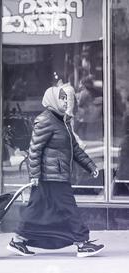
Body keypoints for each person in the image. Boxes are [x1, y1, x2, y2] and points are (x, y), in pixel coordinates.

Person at [7, 86, 105, 258]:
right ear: (52, 100)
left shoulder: (63, 121)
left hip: (56, 175)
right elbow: (35, 150)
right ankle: (82, 243)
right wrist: (35, 176)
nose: (66, 102)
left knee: (36, 208)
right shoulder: (45, 120)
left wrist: (91, 166)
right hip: (50, 176)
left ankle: (18, 240)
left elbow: (74, 148)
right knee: (68, 208)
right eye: (62, 99)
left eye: (66, 99)